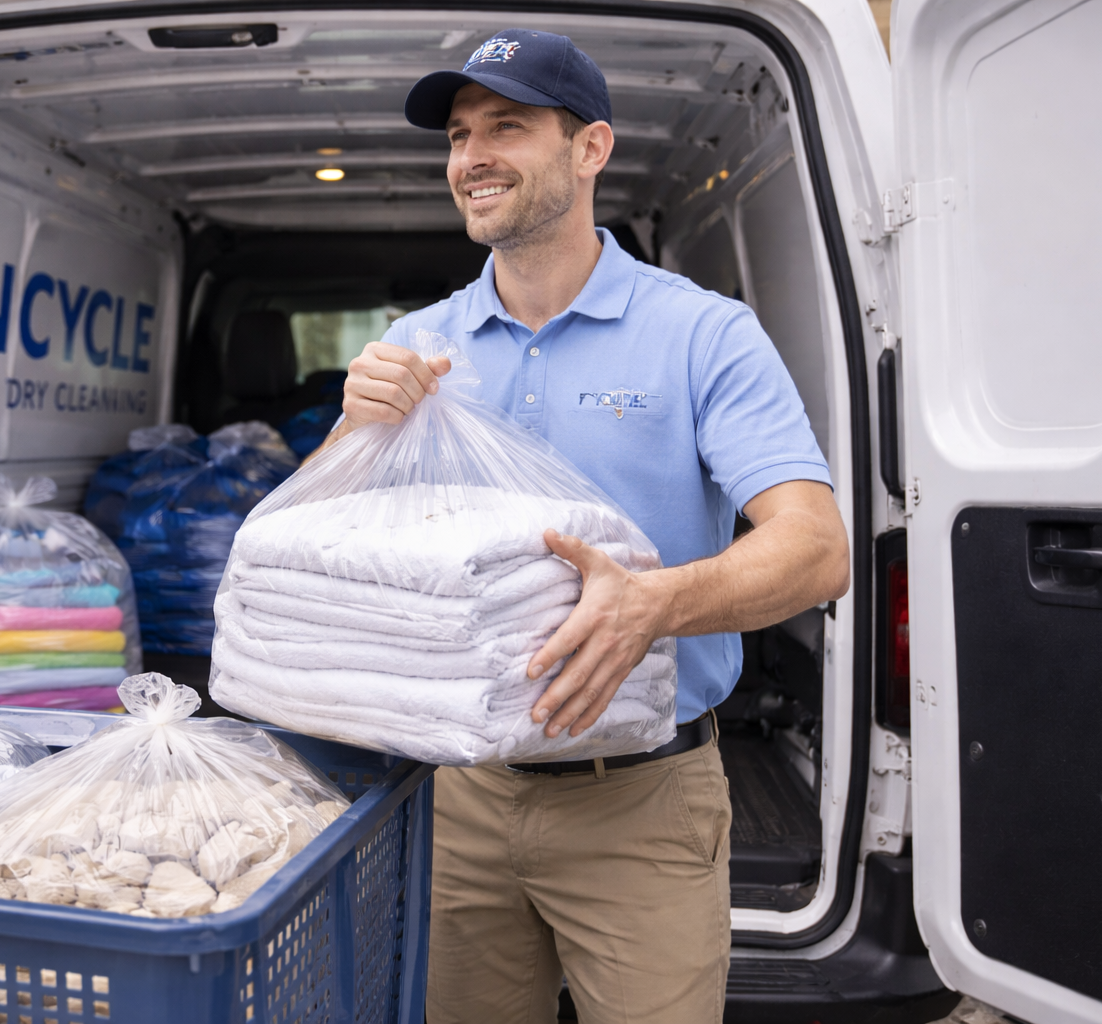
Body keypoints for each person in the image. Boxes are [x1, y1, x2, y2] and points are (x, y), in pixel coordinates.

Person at [310, 28, 850, 1024]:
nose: (471, 156)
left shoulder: (701, 334)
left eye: (506, 127)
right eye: (459, 135)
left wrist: (656, 602)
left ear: (589, 148)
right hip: (457, 796)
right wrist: (352, 432)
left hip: (641, 801)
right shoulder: (416, 346)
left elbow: (815, 549)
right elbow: (320, 548)